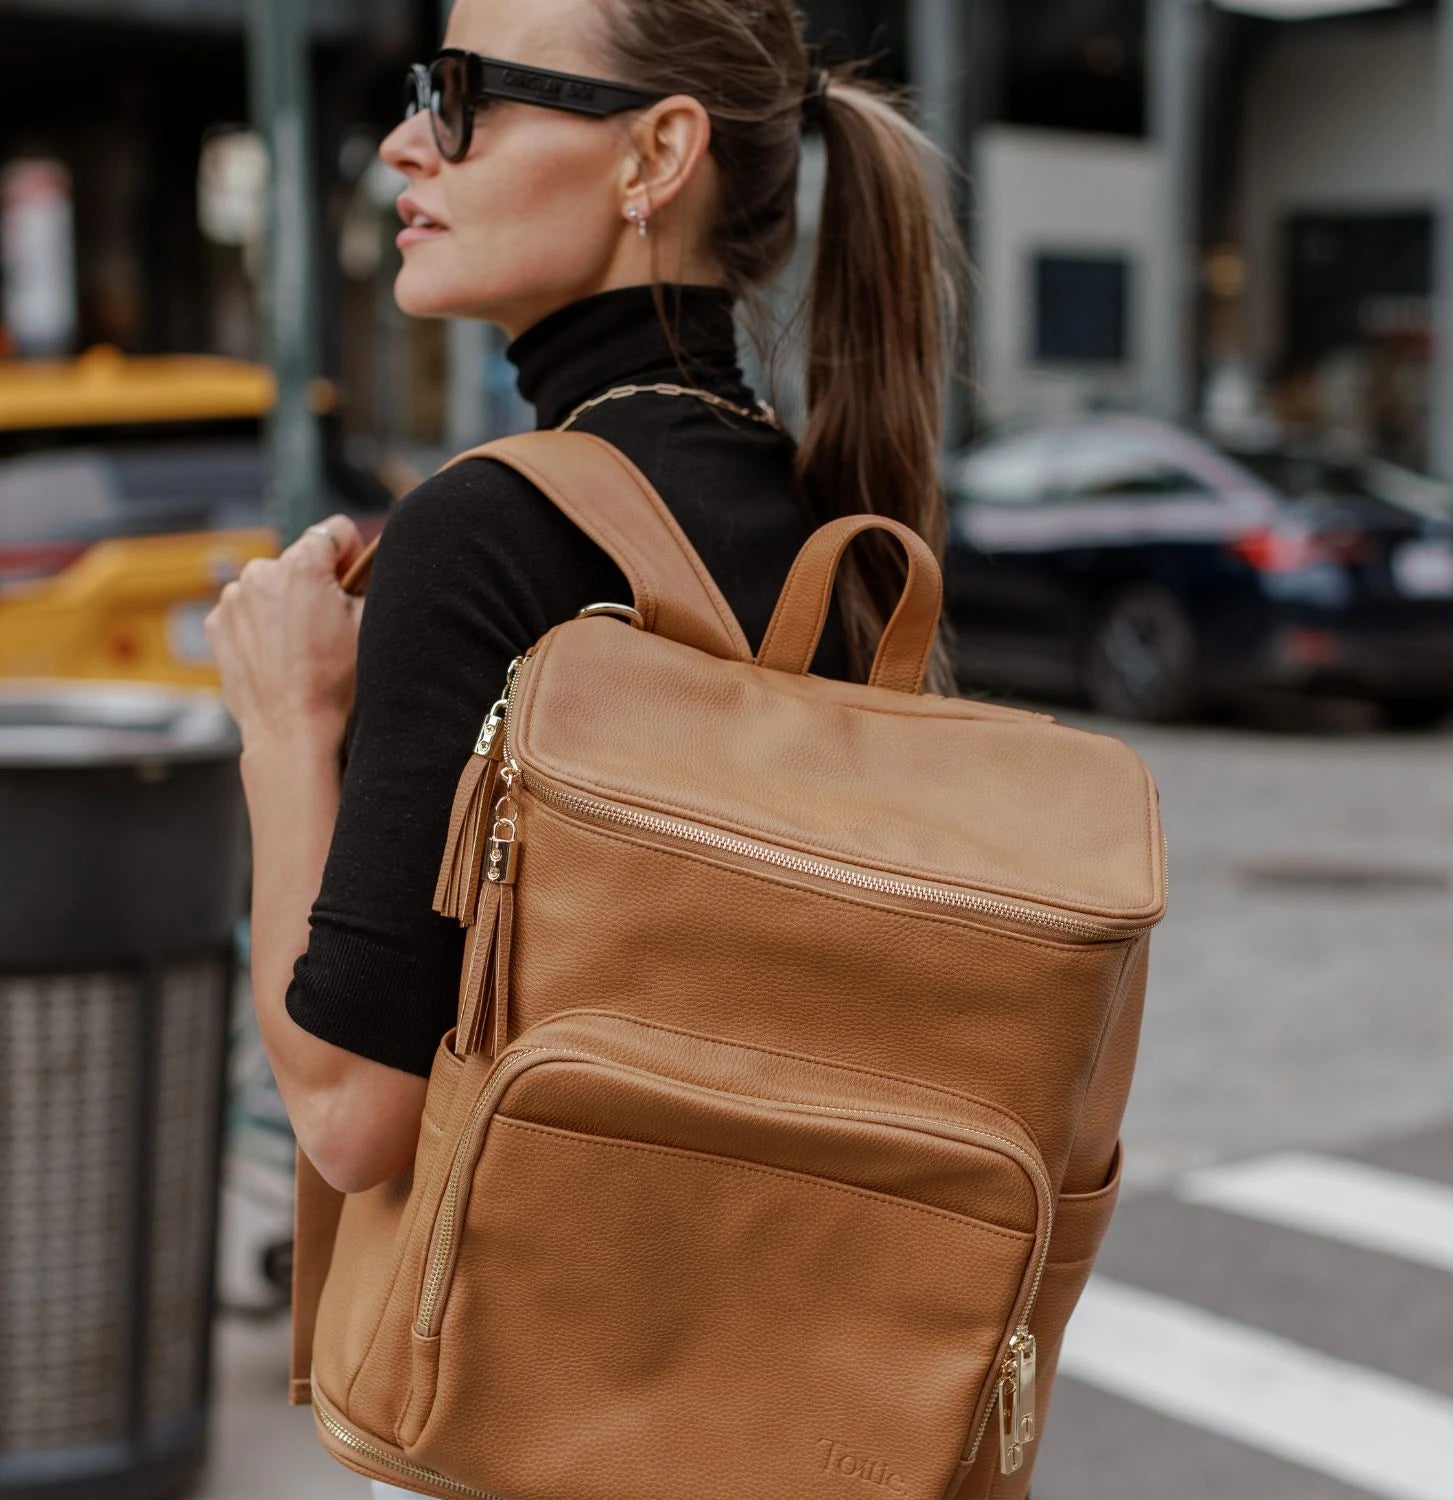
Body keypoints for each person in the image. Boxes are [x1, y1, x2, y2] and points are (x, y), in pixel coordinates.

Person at [205, 0, 959, 1489]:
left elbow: (354, 1119)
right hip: (805, 1407)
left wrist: (287, 719)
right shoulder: (842, 522)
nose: (408, 139)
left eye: (466, 94)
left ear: (656, 155)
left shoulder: (490, 529)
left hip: (558, 1413)